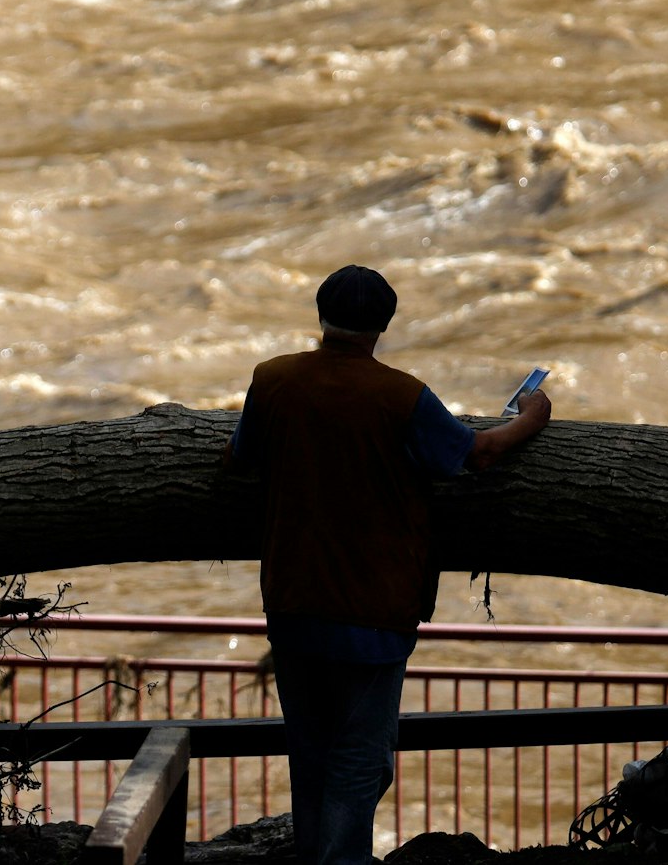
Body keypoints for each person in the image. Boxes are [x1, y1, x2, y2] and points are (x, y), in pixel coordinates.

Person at [224, 265, 550, 865]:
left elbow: (240, 454)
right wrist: (532, 415)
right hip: (374, 609)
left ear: (319, 315)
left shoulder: (272, 380)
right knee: (359, 760)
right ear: (383, 326)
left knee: (312, 755)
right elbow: (477, 453)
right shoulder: (402, 396)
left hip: (293, 601)